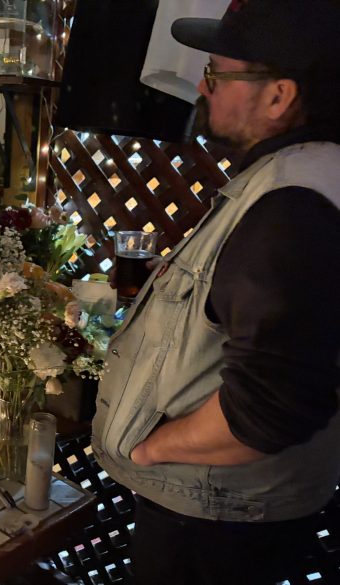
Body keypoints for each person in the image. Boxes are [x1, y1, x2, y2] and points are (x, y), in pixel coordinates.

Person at [92, 1, 340, 584]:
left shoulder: (291, 205)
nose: (203, 89)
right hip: (233, 516)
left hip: (211, 522)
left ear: (279, 96)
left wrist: (149, 448)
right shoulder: (306, 181)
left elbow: (267, 411)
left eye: (218, 74)